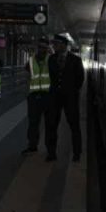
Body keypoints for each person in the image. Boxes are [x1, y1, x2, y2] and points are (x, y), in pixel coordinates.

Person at [47, 33, 85, 162]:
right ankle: (51, 153)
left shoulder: (75, 60)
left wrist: (72, 91)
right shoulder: (51, 59)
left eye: (56, 44)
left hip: (70, 98)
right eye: (54, 44)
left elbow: (80, 78)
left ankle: (77, 153)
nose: (54, 46)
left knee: (74, 126)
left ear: (64, 45)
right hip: (54, 98)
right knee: (51, 125)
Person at [23, 38, 52, 156]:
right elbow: (27, 77)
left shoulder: (51, 60)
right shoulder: (30, 61)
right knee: (33, 123)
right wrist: (27, 92)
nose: (42, 49)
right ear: (37, 48)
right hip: (34, 96)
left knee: (50, 124)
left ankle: (50, 149)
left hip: (48, 96)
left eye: (44, 47)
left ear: (48, 48)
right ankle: (32, 146)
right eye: (40, 47)